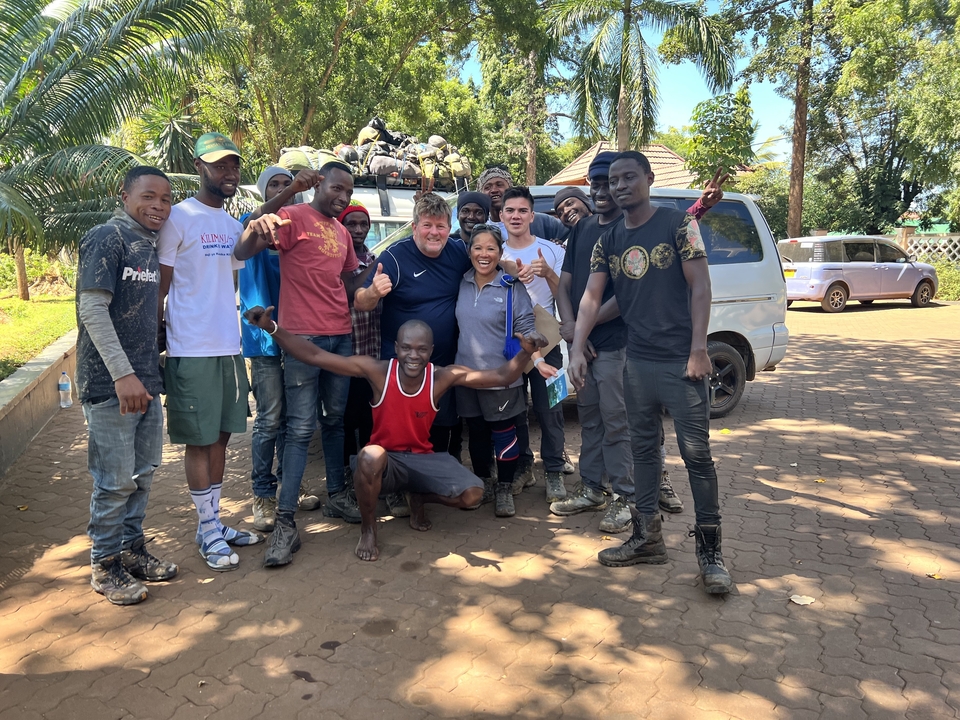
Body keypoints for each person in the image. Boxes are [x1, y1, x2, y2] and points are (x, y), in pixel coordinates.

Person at [243, 305, 547, 563]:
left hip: (422, 460)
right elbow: (315, 356)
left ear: (431, 350)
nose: (413, 356)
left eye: (421, 349)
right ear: (397, 348)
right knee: (370, 455)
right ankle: (369, 528)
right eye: (406, 348)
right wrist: (271, 327)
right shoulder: (378, 371)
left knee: (473, 494)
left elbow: (501, 376)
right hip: (385, 463)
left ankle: (419, 497)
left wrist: (526, 353)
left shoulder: (441, 377)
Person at [568, 151, 733, 595]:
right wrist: (577, 347)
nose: (619, 186)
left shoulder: (679, 224)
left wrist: (699, 351)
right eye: (613, 180)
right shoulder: (610, 238)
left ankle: (710, 553)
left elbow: (701, 285)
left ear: (648, 178)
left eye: (628, 177)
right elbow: (591, 297)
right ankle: (646, 538)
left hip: (682, 363)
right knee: (644, 452)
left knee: (697, 456)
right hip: (636, 362)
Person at [235, 161, 374, 566]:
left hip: (340, 336)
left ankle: (336, 496)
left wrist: (366, 279)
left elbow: (345, 284)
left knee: (334, 421)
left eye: (348, 192)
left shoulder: (342, 233)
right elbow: (244, 249)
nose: (343, 197)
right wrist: (271, 208)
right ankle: (284, 523)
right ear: (319, 185)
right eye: (337, 188)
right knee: (297, 428)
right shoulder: (294, 216)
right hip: (302, 338)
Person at [158, 132, 263, 572]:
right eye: (219, 165)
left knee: (220, 436)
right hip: (192, 347)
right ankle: (206, 531)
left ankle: (214, 524)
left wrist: (263, 228)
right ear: (199, 166)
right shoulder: (179, 218)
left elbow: (234, 268)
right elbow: (161, 284)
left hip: (228, 346)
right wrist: (158, 336)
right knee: (199, 441)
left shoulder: (231, 224)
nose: (229, 172)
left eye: (234, 165)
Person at [77, 165, 179, 605]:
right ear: (124, 195)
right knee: (114, 480)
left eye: (165, 199)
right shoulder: (108, 237)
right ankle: (105, 565)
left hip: (144, 380)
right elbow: (92, 310)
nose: (158, 205)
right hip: (110, 384)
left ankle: (132, 551)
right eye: (149, 196)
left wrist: (148, 374)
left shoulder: (148, 245)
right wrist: (122, 375)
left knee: (142, 475)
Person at [354, 193, 468, 457]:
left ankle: (432, 481)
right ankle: (393, 483)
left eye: (441, 226)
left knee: (440, 423)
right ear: (415, 227)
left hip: (441, 360)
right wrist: (373, 292)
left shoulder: (457, 251)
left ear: (449, 229)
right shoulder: (395, 256)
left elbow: (488, 264)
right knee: (396, 425)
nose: (434, 233)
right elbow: (360, 302)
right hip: (401, 361)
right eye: (427, 225)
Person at [455, 223, 545, 517]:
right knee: (478, 433)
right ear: (469, 252)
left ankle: (505, 487)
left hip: (502, 378)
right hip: (466, 377)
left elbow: (526, 324)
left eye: (490, 248)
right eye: (478, 248)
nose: (484, 254)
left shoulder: (511, 286)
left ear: (499, 252)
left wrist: (532, 341)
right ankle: (484, 481)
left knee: (504, 433)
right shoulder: (462, 282)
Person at [496, 186, 569, 504]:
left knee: (552, 408)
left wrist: (548, 273)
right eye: (510, 210)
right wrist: (508, 272)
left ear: (532, 215)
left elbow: (566, 294)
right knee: (514, 411)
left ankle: (554, 469)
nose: (516, 216)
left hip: (548, 342)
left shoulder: (552, 251)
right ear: (501, 215)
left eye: (522, 210)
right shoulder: (493, 251)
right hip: (509, 343)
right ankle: (524, 466)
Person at [238, 165, 297, 533]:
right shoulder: (253, 221)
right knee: (269, 418)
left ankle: (290, 485)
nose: (280, 189)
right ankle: (262, 494)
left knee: (294, 421)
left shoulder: (300, 228)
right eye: (273, 185)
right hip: (263, 339)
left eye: (287, 184)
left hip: (297, 336)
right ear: (263, 193)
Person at [476, 167, 567, 243]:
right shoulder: (480, 228)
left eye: (499, 185)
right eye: (487, 187)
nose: (494, 190)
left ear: (510, 188)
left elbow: (574, 232)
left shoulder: (541, 221)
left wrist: (562, 247)